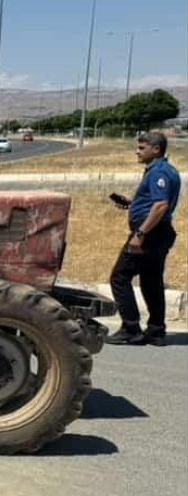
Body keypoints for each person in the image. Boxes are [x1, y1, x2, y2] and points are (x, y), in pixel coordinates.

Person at [106, 131, 180, 347]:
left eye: (141, 148)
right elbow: (154, 203)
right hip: (159, 232)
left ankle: (131, 328)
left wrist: (140, 234)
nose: (137, 152)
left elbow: (160, 206)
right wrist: (132, 203)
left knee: (119, 277)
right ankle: (156, 331)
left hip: (150, 234)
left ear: (156, 149)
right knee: (151, 281)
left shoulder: (159, 173)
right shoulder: (163, 170)